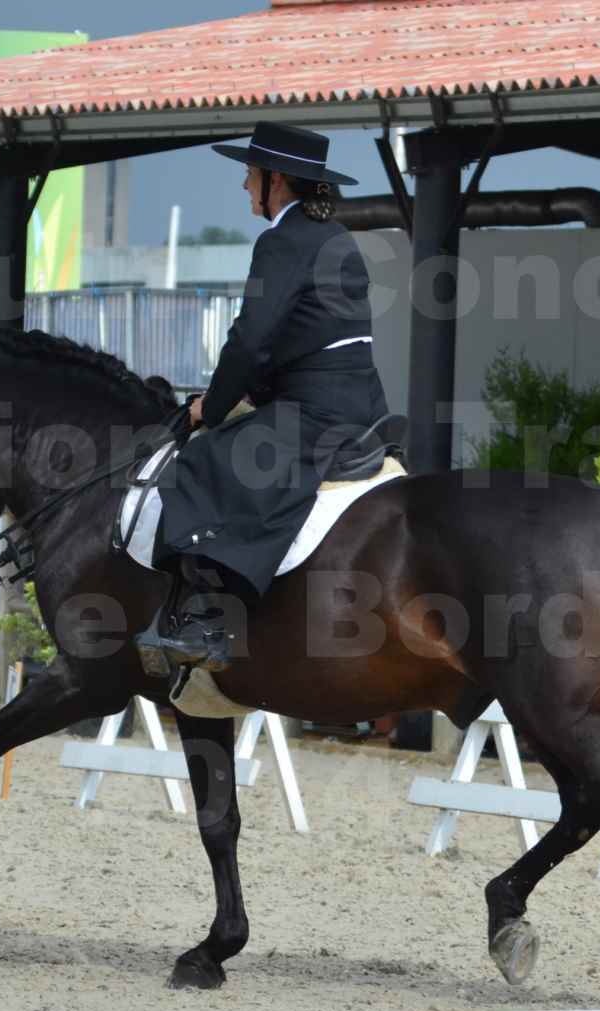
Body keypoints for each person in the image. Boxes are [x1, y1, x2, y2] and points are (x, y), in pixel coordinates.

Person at [135, 122, 384, 675]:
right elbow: (294, 338)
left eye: (250, 176)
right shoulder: (333, 236)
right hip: (357, 401)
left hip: (316, 411)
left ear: (277, 181)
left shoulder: (283, 240)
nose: (245, 187)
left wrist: (212, 407)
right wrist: (250, 389)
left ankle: (208, 618)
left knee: (200, 461)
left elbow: (250, 338)